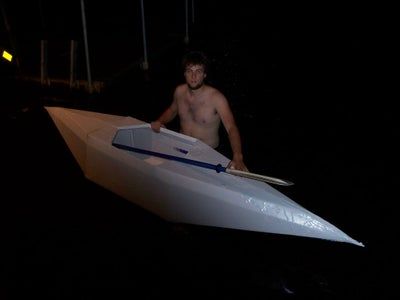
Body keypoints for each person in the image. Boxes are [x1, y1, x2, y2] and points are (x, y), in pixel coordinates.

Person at [151, 51, 248, 171]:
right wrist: (159, 121)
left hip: (207, 153)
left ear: (205, 75)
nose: (193, 76)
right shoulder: (179, 92)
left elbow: (231, 128)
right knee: (156, 164)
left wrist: (238, 156)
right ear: (184, 74)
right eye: (189, 71)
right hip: (182, 147)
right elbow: (172, 110)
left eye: (198, 71)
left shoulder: (217, 98)